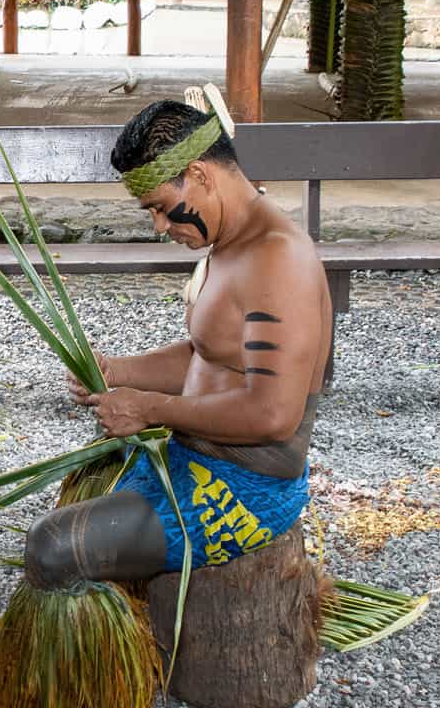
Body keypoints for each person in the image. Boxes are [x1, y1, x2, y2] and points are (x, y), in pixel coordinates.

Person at [24, 95, 330, 589]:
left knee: (52, 547)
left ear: (200, 174)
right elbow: (209, 353)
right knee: (79, 497)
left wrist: (151, 409)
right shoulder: (230, 243)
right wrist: (118, 373)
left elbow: (274, 415)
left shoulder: (277, 259)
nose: (160, 226)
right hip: (196, 458)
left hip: (244, 490)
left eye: (163, 209)